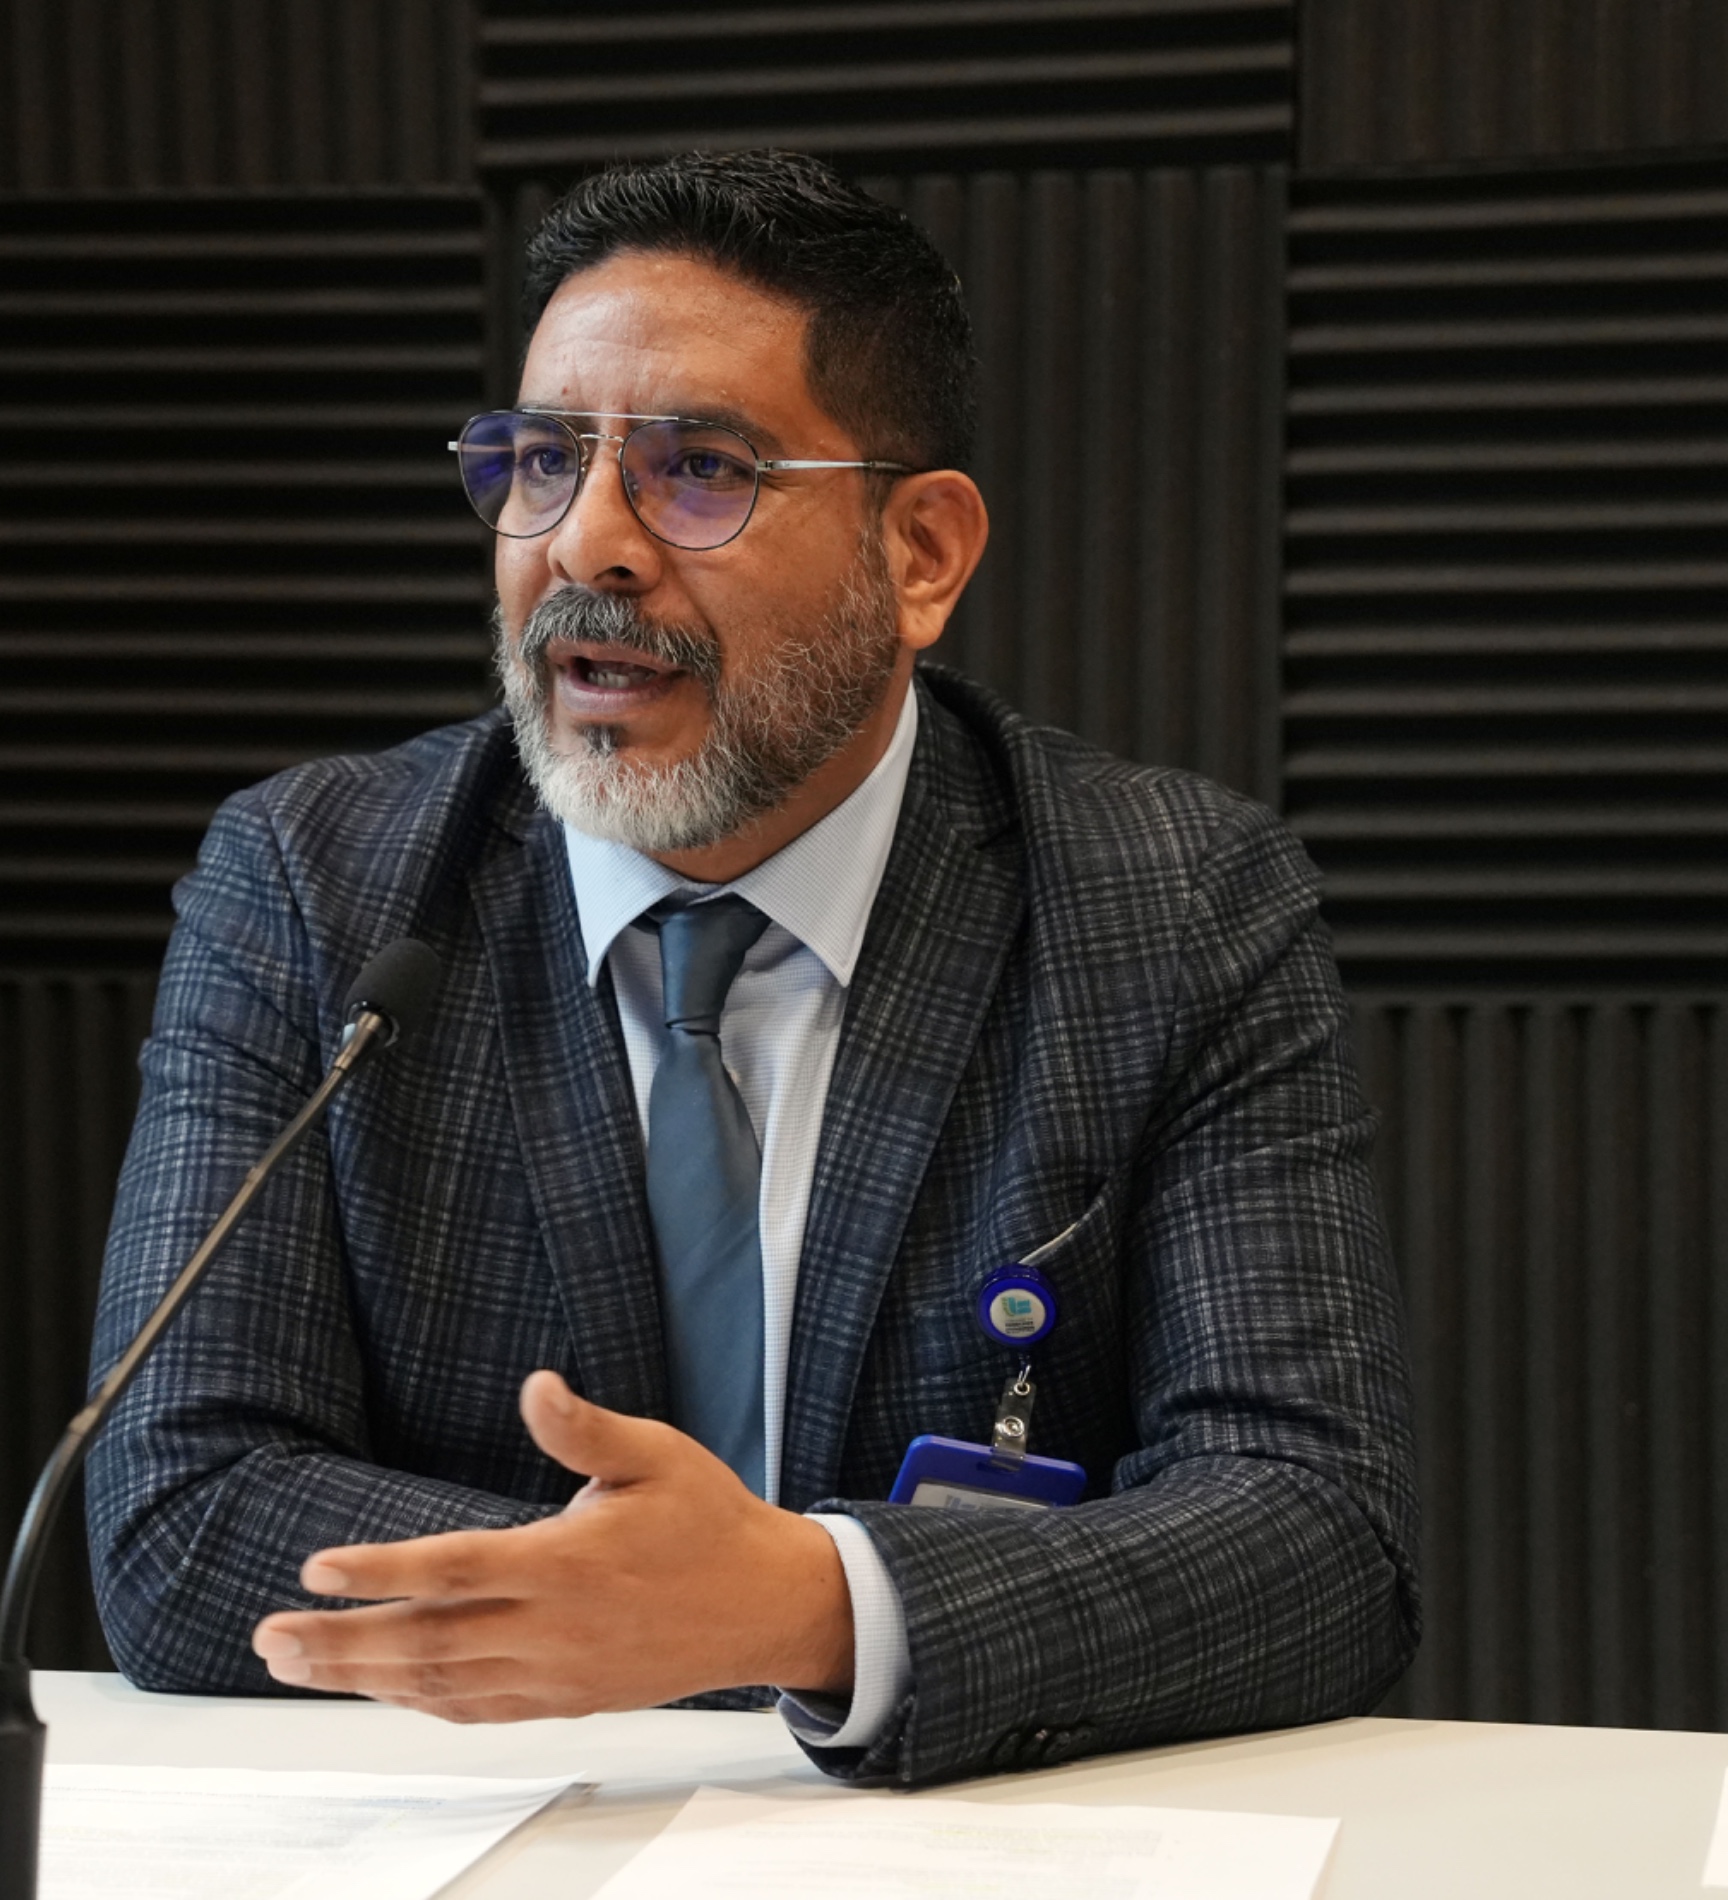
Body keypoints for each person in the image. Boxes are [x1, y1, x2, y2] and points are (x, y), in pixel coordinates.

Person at [84, 149, 1419, 1785]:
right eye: (543, 461)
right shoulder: (312, 885)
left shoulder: (1176, 907)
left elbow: (1321, 1533)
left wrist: (809, 1609)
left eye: (699, 471)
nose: (589, 544)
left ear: (920, 554)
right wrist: (664, 1620)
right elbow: (180, 1508)